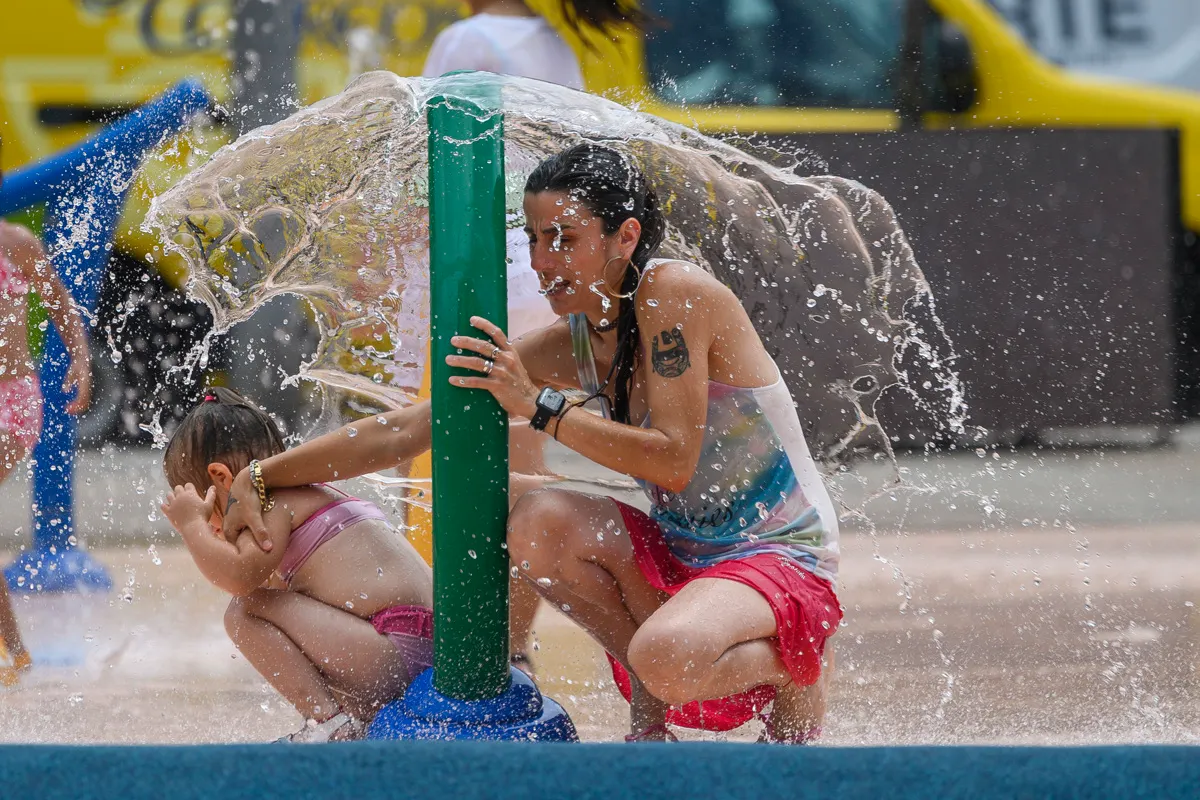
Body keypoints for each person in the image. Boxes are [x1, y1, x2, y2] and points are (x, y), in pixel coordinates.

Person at [221, 143, 839, 744]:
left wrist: (539, 407)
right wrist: (262, 476)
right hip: (686, 552)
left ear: (625, 237)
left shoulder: (672, 293)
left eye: (564, 239)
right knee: (535, 520)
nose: (541, 262)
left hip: (779, 554)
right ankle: (652, 723)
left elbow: (672, 460)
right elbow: (410, 428)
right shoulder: (574, 339)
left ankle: (796, 663)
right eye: (535, 239)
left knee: (666, 656)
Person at [420, 0, 655, 676]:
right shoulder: (554, 45)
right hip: (546, 281)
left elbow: (435, 172)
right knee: (519, 478)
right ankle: (510, 651)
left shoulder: (467, 39)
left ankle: (483, 658)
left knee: (466, 467)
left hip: (483, 278)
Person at [159, 388, 433, 742]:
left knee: (245, 611)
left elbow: (238, 579)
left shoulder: (269, 504)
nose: (214, 528)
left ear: (222, 478)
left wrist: (191, 527)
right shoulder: (311, 494)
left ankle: (329, 724)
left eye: (206, 511)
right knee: (276, 610)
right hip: (418, 643)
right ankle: (346, 721)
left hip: (392, 649)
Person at [0, 180, 93, 686]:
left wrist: (80, 357)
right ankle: (16, 653)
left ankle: (15, 652)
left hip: (11, 400)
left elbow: (61, 307)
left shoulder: (16, 243)